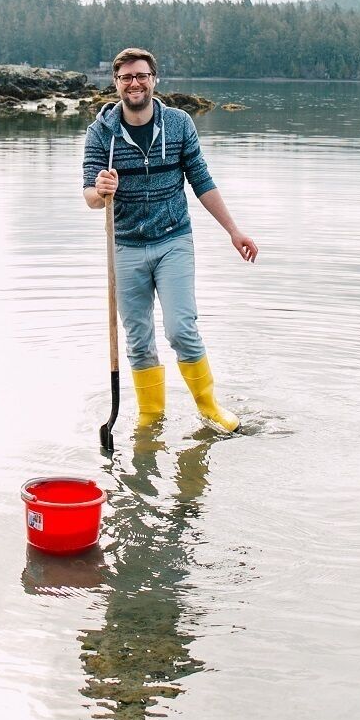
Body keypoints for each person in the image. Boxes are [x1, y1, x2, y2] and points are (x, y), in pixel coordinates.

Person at [82, 47, 258, 432]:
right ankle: (150, 416)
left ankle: (209, 407)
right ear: (116, 84)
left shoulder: (179, 124)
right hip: (125, 245)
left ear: (154, 79)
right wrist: (101, 189)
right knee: (139, 339)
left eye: (141, 75)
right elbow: (91, 199)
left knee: (181, 328)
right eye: (126, 77)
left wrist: (234, 230)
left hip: (172, 240)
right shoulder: (100, 134)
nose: (135, 83)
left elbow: (201, 180)